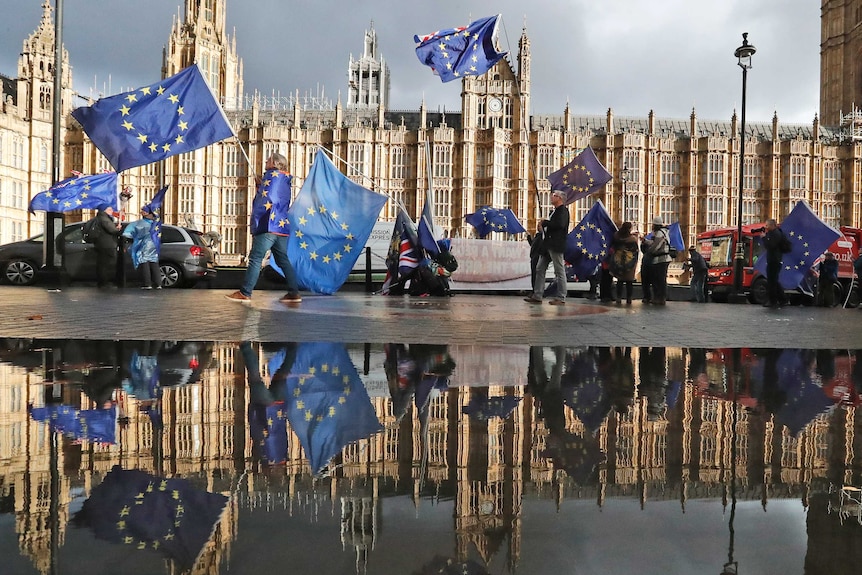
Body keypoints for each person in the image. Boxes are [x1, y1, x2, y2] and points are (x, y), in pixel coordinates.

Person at [226, 152, 302, 304]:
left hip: (268, 225)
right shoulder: (285, 179)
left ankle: (245, 292)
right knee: (283, 261)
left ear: (274, 163)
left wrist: (257, 220)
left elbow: (265, 201)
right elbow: (276, 197)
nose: (265, 162)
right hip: (281, 227)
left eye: (268, 160)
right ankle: (294, 293)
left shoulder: (271, 174)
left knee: (255, 259)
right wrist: (260, 186)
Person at [525, 190, 569, 306]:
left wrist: (546, 223)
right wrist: (542, 228)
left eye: (554, 195)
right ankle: (538, 295)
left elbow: (560, 225)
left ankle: (561, 297)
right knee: (539, 268)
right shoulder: (554, 212)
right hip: (547, 245)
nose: (551, 197)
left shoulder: (563, 211)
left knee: (559, 271)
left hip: (556, 245)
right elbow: (552, 228)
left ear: (559, 198)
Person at [122, 206, 162, 289]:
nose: (141, 212)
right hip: (155, 244)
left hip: (144, 244)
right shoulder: (156, 223)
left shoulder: (139, 223)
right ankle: (158, 284)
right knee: (154, 262)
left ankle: (147, 284)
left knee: (144, 263)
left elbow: (127, 233)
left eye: (143, 211)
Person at [641, 216, 673, 305]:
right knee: (658, 279)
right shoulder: (662, 232)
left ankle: (660, 298)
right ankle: (658, 297)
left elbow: (656, 246)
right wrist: (646, 241)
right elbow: (654, 243)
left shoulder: (659, 233)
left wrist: (648, 251)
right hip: (660, 259)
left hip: (661, 259)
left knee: (660, 280)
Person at [91, 203, 123, 290]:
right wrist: (118, 229)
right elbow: (112, 230)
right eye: (110, 209)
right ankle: (104, 283)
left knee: (102, 265)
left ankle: (103, 282)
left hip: (102, 244)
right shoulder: (104, 219)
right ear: (105, 210)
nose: (112, 211)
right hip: (107, 245)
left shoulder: (100, 218)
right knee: (106, 265)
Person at [609, 221, 639, 305]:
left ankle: (618, 297)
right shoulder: (632, 239)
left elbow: (614, 246)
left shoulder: (616, 236)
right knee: (629, 282)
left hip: (618, 260)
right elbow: (635, 251)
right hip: (629, 261)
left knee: (620, 280)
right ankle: (629, 298)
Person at [761, 218, 788, 308]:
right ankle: (783, 299)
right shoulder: (774, 233)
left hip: (774, 260)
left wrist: (764, 238)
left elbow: (770, 246)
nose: (766, 227)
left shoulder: (776, 234)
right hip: (774, 260)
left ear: (772, 225)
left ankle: (773, 301)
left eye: (767, 225)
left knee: (771, 281)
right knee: (774, 281)